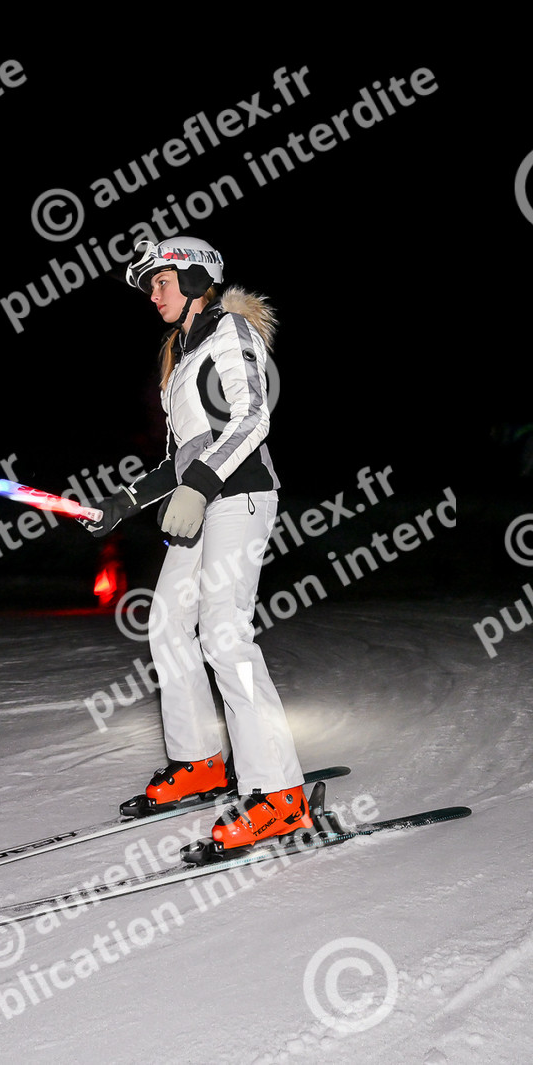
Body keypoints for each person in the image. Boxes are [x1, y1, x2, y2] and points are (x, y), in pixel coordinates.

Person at [81, 235, 310, 852]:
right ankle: (200, 761)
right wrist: (122, 502)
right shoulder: (179, 356)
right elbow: (179, 458)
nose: (152, 294)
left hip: (240, 497)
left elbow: (252, 417)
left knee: (225, 634)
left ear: (193, 279)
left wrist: (201, 486)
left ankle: (279, 794)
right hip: (200, 502)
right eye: (149, 285)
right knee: (165, 623)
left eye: (160, 281)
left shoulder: (230, 332)